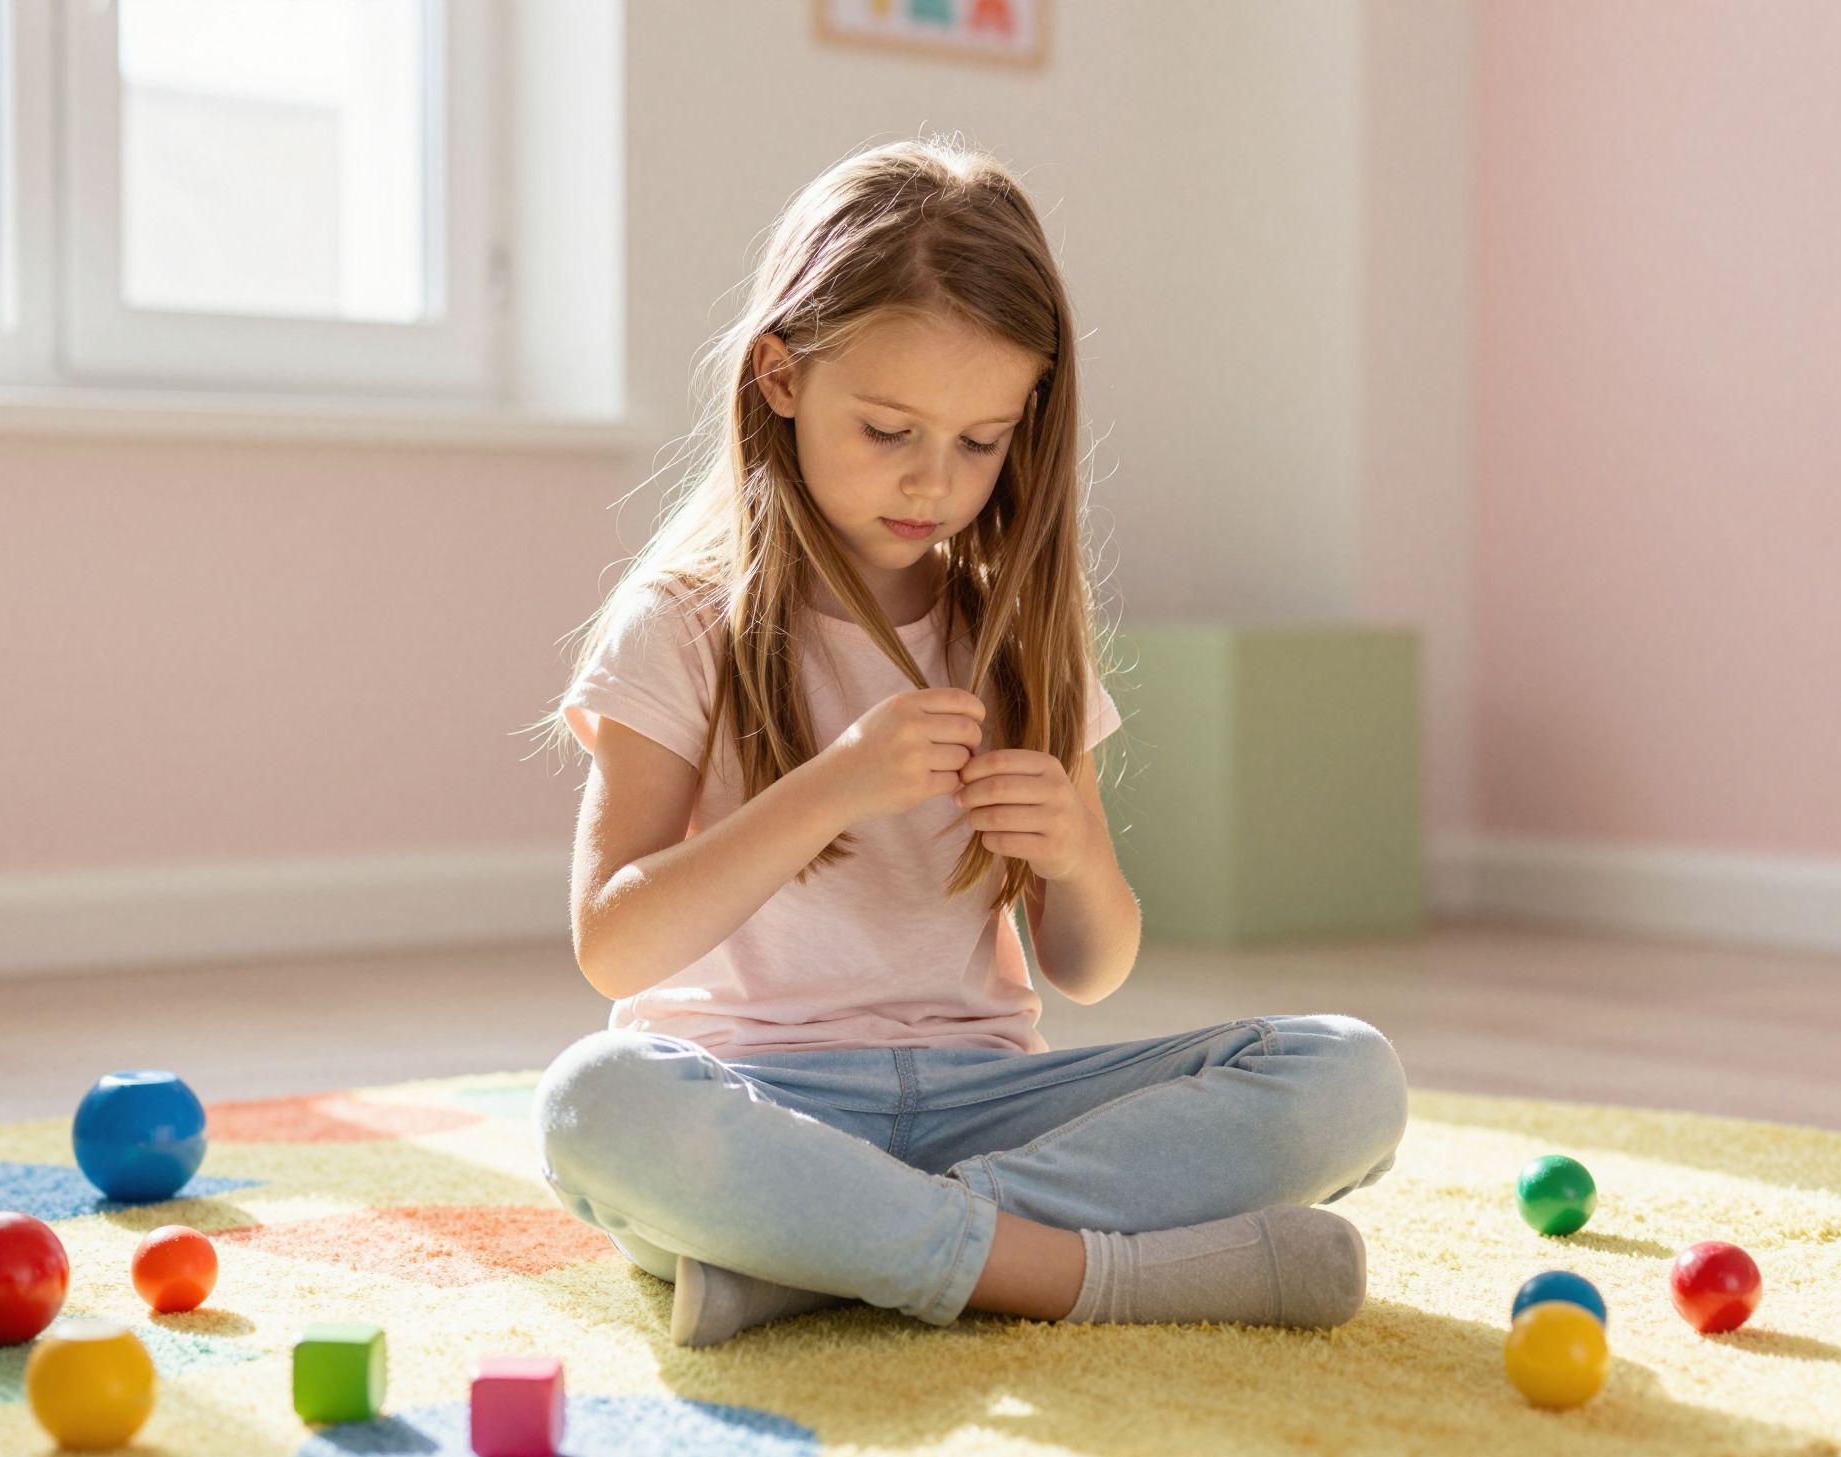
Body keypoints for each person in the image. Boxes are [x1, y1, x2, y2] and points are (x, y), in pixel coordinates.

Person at [523, 135, 1408, 1349]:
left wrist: (1079, 856)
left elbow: (1086, 966)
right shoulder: (678, 623)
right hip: (752, 1093)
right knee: (595, 1105)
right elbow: (614, 950)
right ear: (779, 377)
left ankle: (824, 1255)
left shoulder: (1016, 629)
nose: (932, 482)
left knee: (1345, 1075)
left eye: (979, 442)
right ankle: (1079, 1274)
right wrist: (831, 787)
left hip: (992, 1100)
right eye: (887, 429)